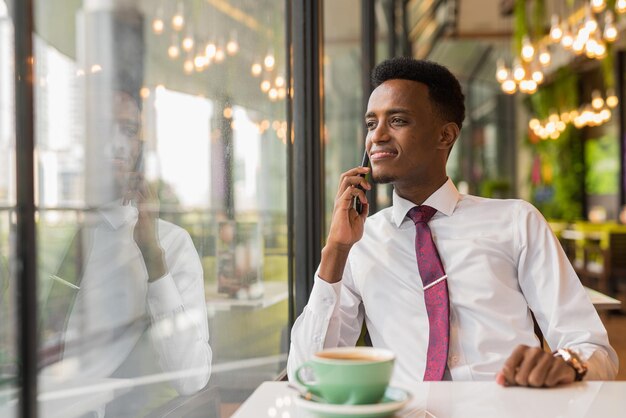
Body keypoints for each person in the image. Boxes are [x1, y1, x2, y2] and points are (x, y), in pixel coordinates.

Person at [287, 57, 618, 388]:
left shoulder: (517, 221)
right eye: (371, 124)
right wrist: (335, 250)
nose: (378, 136)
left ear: (445, 136)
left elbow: (592, 348)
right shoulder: (360, 245)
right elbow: (308, 375)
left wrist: (566, 365)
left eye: (398, 120)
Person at [41, 91, 212, 416]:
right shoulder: (64, 236)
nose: (117, 143)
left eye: (129, 130)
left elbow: (192, 377)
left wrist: (153, 259)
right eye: (107, 129)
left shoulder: (171, 244)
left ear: (139, 148)